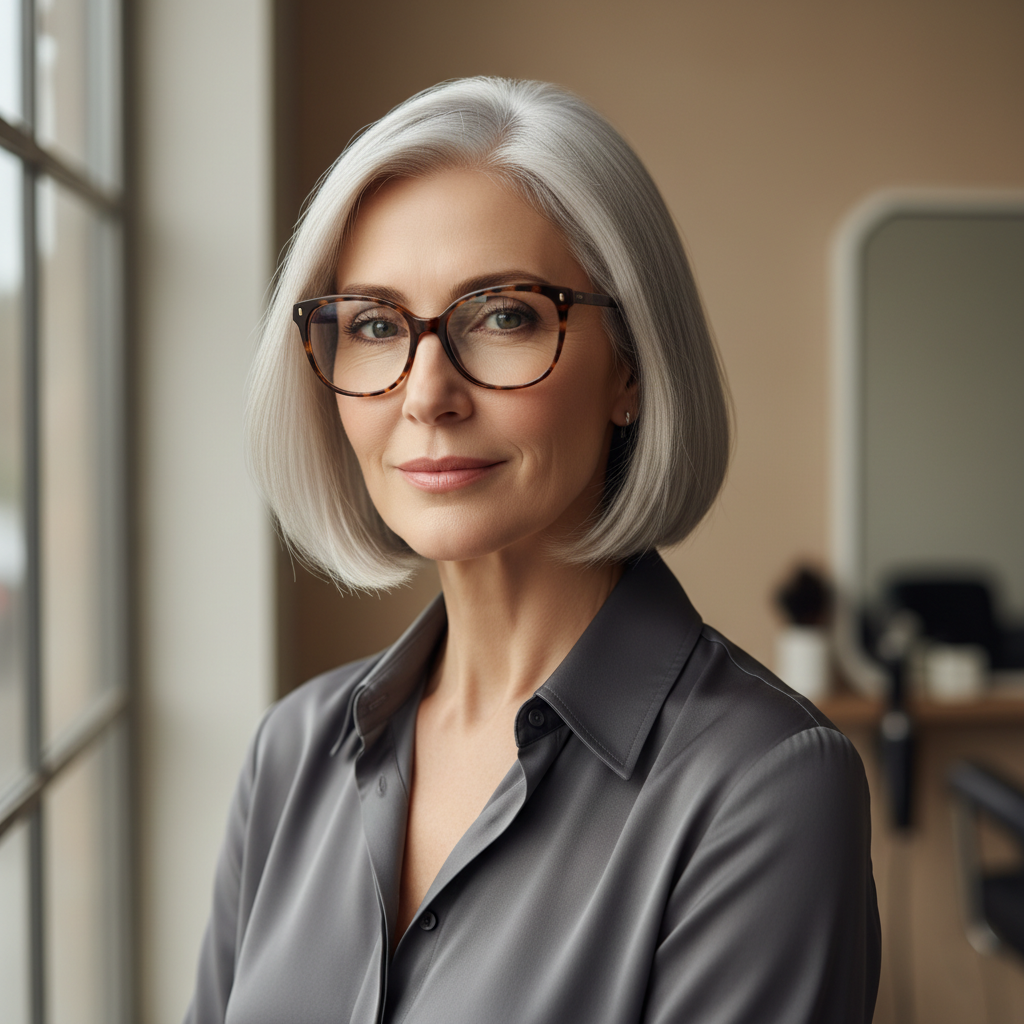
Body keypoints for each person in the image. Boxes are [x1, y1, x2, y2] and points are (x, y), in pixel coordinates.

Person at [186, 77, 880, 1024]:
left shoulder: (768, 786)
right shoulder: (292, 752)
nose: (426, 394)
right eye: (377, 326)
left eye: (504, 315)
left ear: (630, 367)